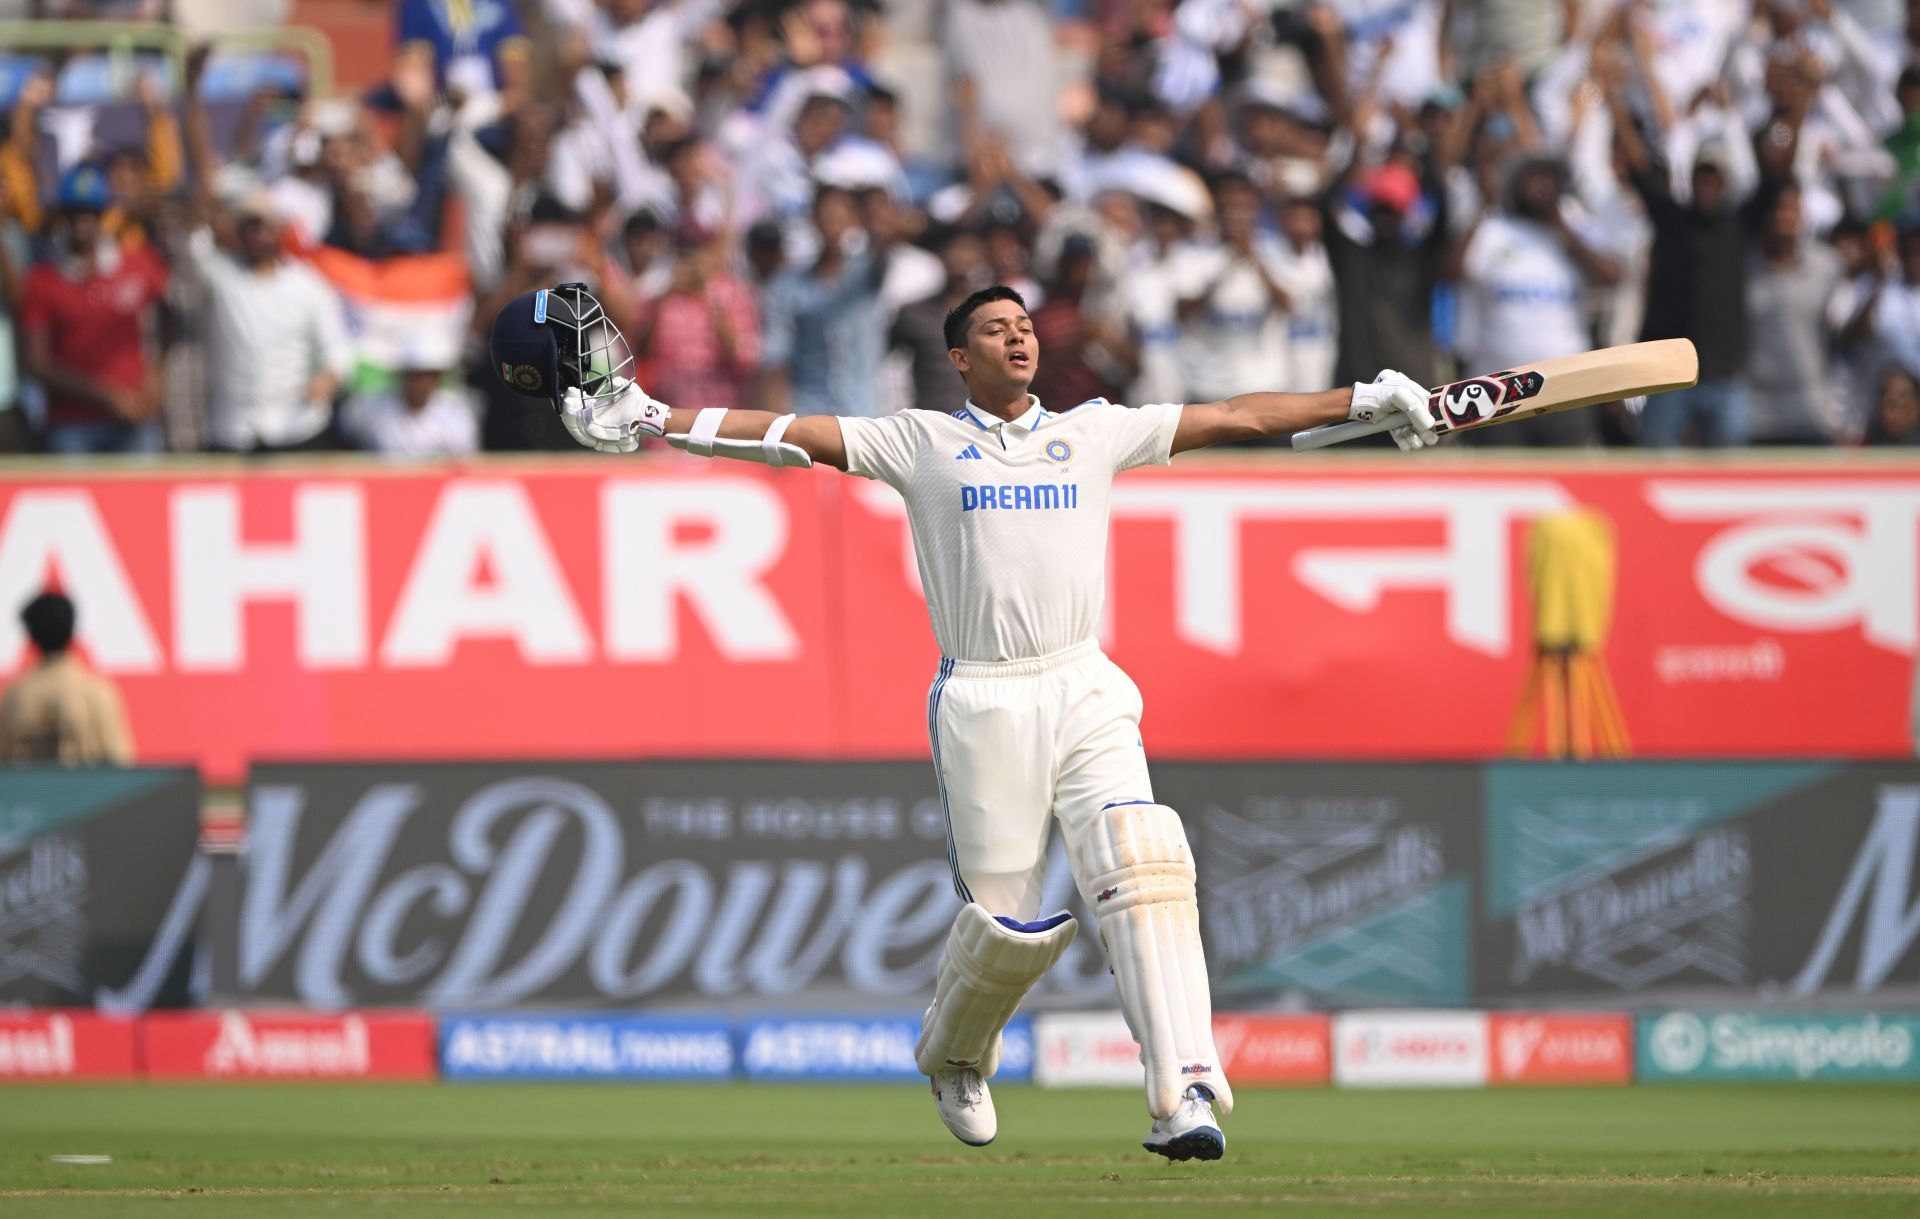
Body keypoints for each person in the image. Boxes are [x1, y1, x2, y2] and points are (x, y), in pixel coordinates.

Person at [491, 281, 1440, 1160]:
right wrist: (656, 418)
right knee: (1006, 926)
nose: (1019, 334)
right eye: (995, 328)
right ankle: (954, 1052)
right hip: (984, 696)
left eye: (1024, 323)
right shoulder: (923, 442)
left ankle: (1183, 1090)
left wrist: (1362, 400)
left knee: (1144, 856)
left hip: (1086, 682)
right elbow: (789, 434)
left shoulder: (1096, 431)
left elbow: (1236, 415)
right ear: (960, 357)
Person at [19, 164, 169, 455]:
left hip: (136, 417)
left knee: (140, 500)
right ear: (63, 216)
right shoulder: (43, 279)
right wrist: (106, 395)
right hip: (71, 427)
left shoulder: (139, 263)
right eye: (75, 213)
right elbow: (37, 362)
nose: (82, 222)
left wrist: (154, 376)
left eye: (91, 212)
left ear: (104, 214)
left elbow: (169, 320)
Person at [0, 591, 134, 766]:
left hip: (31, 793)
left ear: (30, 636)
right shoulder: (97, 692)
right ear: (72, 630)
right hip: (90, 793)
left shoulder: (15, 697)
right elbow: (120, 765)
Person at [339, 344, 479, 457]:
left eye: (426, 375)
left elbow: (465, 464)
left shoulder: (456, 415)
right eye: (413, 374)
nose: (419, 383)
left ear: (437, 377)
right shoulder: (371, 408)